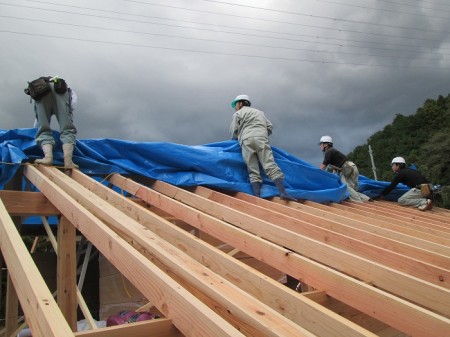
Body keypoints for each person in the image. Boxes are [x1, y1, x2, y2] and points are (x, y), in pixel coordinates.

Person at [229, 94, 296, 201]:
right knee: (269, 164)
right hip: (261, 138)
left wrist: (232, 143)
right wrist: (262, 133)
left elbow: (234, 131)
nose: (235, 107)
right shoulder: (259, 113)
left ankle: (257, 197)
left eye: (236, 104)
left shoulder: (238, 113)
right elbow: (269, 126)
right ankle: (283, 192)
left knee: (252, 169)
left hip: (246, 140)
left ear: (240, 103)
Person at [28, 76, 78, 168]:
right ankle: (68, 162)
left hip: (41, 91)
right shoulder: (70, 91)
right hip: (60, 90)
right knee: (67, 129)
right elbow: (72, 107)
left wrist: (39, 129)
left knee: (43, 129)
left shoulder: (41, 89)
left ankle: (48, 158)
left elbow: (38, 125)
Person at [319, 135, 370, 202]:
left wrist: (317, 175)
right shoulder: (332, 151)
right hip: (351, 167)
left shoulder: (329, 152)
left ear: (326, 144)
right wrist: (333, 176)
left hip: (347, 169)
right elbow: (335, 167)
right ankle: (367, 199)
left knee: (346, 187)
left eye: (321, 144)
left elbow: (323, 166)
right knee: (351, 190)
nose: (320, 146)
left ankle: (360, 203)